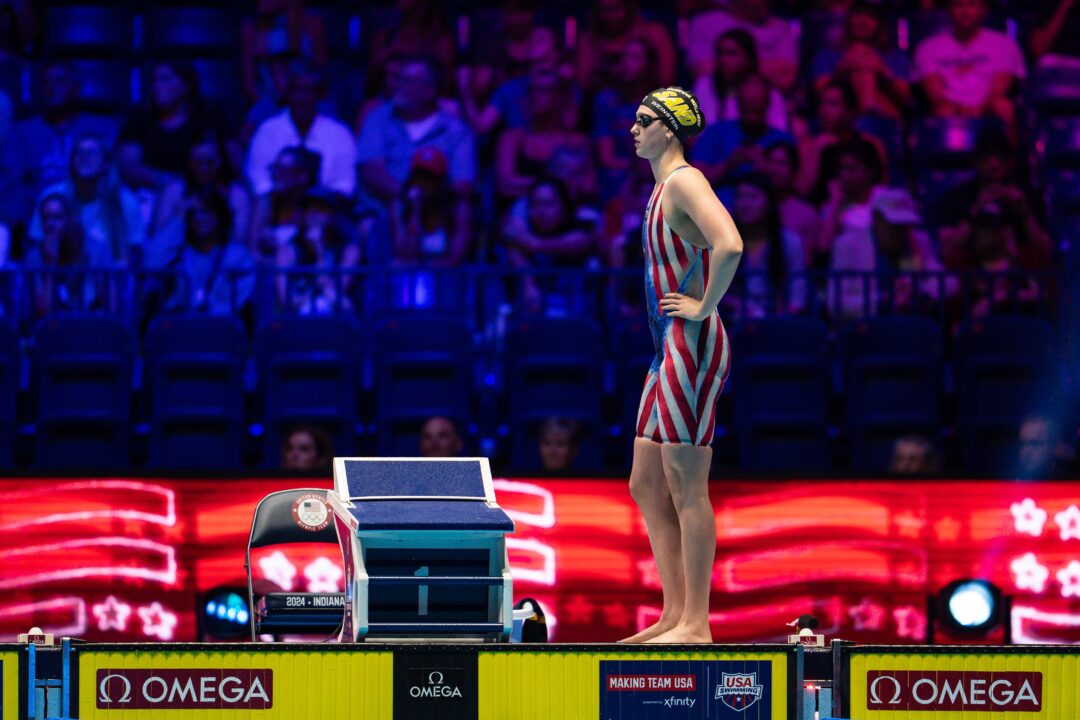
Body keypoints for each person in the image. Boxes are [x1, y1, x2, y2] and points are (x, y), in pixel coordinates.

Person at [624, 87, 743, 644]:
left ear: (668, 130)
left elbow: (731, 245)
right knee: (646, 481)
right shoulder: (660, 189)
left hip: (691, 345)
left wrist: (705, 304)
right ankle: (673, 614)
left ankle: (697, 623)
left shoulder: (686, 181)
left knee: (687, 486)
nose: (634, 129)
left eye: (644, 121)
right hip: (666, 348)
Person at [246, 59, 356, 197]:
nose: (301, 98)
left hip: (325, 212)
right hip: (276, 211)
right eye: (296, 90)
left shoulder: (340, 134)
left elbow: (345, 186)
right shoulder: (267, 131)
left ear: (318, 94)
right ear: (288, 93)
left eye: (308, 91)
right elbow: (259, 182)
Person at [914, 0, 1025, 136]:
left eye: (971, 5)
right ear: (949, 10)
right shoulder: (928, 48)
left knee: (1004, 107)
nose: (965, 11)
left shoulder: (1004, 45)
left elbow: (998, 91)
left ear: (984, 11)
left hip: (988, 108)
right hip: (950, 111)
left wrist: (979, 110)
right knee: (943, 110)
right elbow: (935, 96)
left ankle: (1008, 156)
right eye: (958, 5)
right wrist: (961, 110)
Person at [810, 0, 910, 119]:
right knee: (861, 67)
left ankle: (867, 119)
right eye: (858, 13)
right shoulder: (826, 55)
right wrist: (842, 70)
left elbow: (905, 98)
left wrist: (883, 71)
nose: (863, 21)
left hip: (885, 119)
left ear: (881, 23)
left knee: (864, 67)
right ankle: (867, 116)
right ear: (848, 19)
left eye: (871, 16)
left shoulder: (894, 56)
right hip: (841, 120)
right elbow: (820, 94)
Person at [692, 29, 788, 131]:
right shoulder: (704, 86)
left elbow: (780, 134)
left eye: (731, 53)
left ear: (749, 59)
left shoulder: (769, 92)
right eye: (720, 53)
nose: (723, 60)